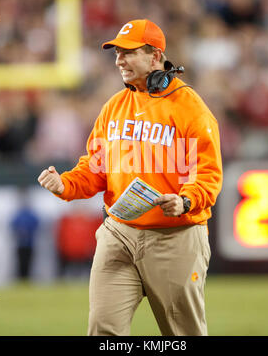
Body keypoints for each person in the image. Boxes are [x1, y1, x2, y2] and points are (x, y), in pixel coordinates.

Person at [38, 19, 223, 336]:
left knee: (182, 333)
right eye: (116, 53)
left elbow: (207, 172)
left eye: (128, 52)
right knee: (103, 330)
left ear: (155, 56)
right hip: (118, 234)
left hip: (174, 238)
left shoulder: (190, 108)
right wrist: (65, 184)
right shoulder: (115, 106)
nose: (119, 60)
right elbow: (96, 168)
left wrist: (186, 200)